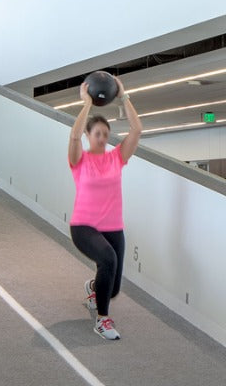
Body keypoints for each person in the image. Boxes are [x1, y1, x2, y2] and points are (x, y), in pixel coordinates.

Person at [68, 75, 142, 341]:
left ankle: (94, 288)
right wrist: (86, 103)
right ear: (88, 135)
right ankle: (102, 320)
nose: (101, 138)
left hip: (113, 227)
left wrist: (124, 96)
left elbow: (137, 130)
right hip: (84, 226)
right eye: (96, 134)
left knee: (113, 289)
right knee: (108, 259)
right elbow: (74, 135)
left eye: (105, 135)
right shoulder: (79, 160)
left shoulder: (116, 158)